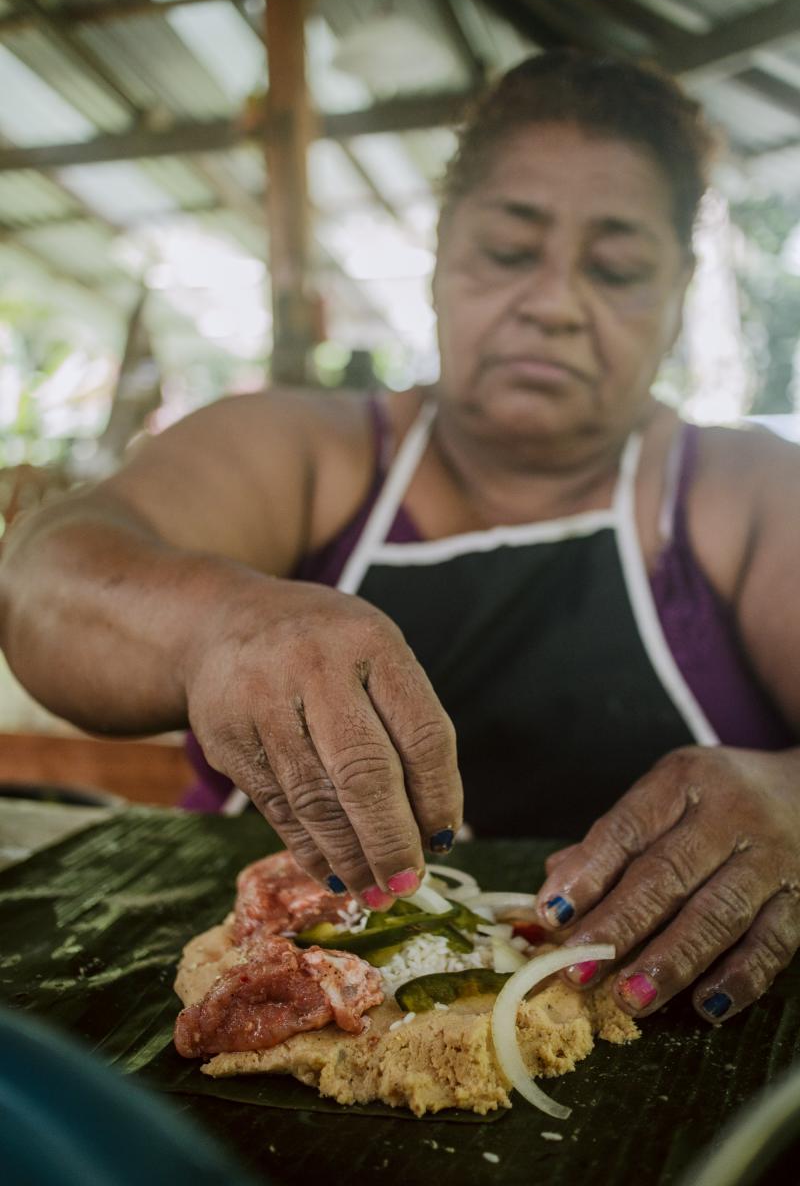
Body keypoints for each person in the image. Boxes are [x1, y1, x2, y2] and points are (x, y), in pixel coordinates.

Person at [1, 51, 798, 1031]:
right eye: (507, 251)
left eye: (616, 270)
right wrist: (219, 622)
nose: (553, 303)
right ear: (438, 261)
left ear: (677, 293)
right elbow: (44, 575)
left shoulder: (744, 493)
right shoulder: (307, 452)